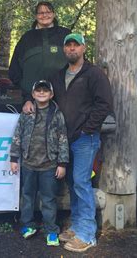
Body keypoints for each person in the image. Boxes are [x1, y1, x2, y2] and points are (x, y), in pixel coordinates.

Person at [50, 33, 113, 253]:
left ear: (84, 48)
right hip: (64, 139)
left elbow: (104, 103)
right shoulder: (58, 76)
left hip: (85, 138)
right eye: (68, 45)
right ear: (64, 50)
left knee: (82, 182)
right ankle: (77, 226)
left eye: (76, 45)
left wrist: (88, 128)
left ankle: (87, 234)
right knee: (72, 183)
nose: (72, 49)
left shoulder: (94, 74)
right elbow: (47, 98)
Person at [10, 80, 69, 247]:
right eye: (38, 91)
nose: (41, 93)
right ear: (33, 94)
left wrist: (62, 163)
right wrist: (14, 159)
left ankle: (51, 230)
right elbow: (17, 136)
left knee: (49, 199)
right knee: (27, 196)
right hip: (28, 164)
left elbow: (63, 139)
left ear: (51, 94)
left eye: (45, 91)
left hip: (49, 165)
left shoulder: (57, 114)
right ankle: (27, 225)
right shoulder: (26, 113)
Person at [9, 1, 70, 114]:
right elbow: (14, 71)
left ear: (54, 14)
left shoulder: (65, 35)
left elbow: (78, 63)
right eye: (40, 13)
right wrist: (27, 98)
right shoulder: (26, 39)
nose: (44, 15)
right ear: (36, 16)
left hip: (64, 99)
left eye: (48, 12)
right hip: (32, 102)